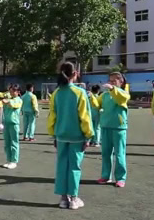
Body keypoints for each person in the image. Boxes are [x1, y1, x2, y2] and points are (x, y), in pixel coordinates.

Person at [48, 62, 94, 209]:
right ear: (75, 74)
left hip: (61, 135)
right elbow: (85, 116)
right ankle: (73, 198)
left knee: (61, 166)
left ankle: (63, 198)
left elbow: (52, 117)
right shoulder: (79, 93)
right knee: (74, 166)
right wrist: (88, 135)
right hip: (77, 136)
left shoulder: (56, 93)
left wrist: (54, 135)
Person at [98, 72, 130, 187]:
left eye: (114, 81)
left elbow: (121, 98)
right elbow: (97, 104)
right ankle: (106, 176)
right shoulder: (105, 95)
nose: (111, 83)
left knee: (119, 153)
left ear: (121, 82)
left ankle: (121, 178)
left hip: (118, 127)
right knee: (106, 153)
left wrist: (112, 89)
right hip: (105, 126)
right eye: (110, 81)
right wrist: (91, 97)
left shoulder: (124, 94)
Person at [0, 84, 23, 169]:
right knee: (7, 143)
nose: (11, 92)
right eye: (10, 91)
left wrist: (7, 102)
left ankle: (14, 161)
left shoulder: (18, 100)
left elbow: (13, 104)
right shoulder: (8, 99)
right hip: (6, 124)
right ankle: (8, 160)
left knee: (14, 143)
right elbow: (0, 104)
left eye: (13, 91)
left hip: (14, 124)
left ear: (18, 92)